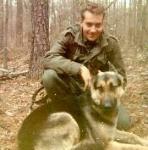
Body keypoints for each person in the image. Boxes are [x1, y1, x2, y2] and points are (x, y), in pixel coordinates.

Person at [42, 2, 131, 134]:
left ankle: (87, 115)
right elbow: (48, 58)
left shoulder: (111, 43)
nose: (93, 30)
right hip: (69, 88)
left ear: (103, 24)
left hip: (96, 92)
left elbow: (121, 77)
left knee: (124, 123)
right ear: (82, 22)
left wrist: (106, 87)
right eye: (89, 24)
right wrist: (78, 68)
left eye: (98, 25)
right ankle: (66, 113)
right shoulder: (70, 36)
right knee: (49, 76)